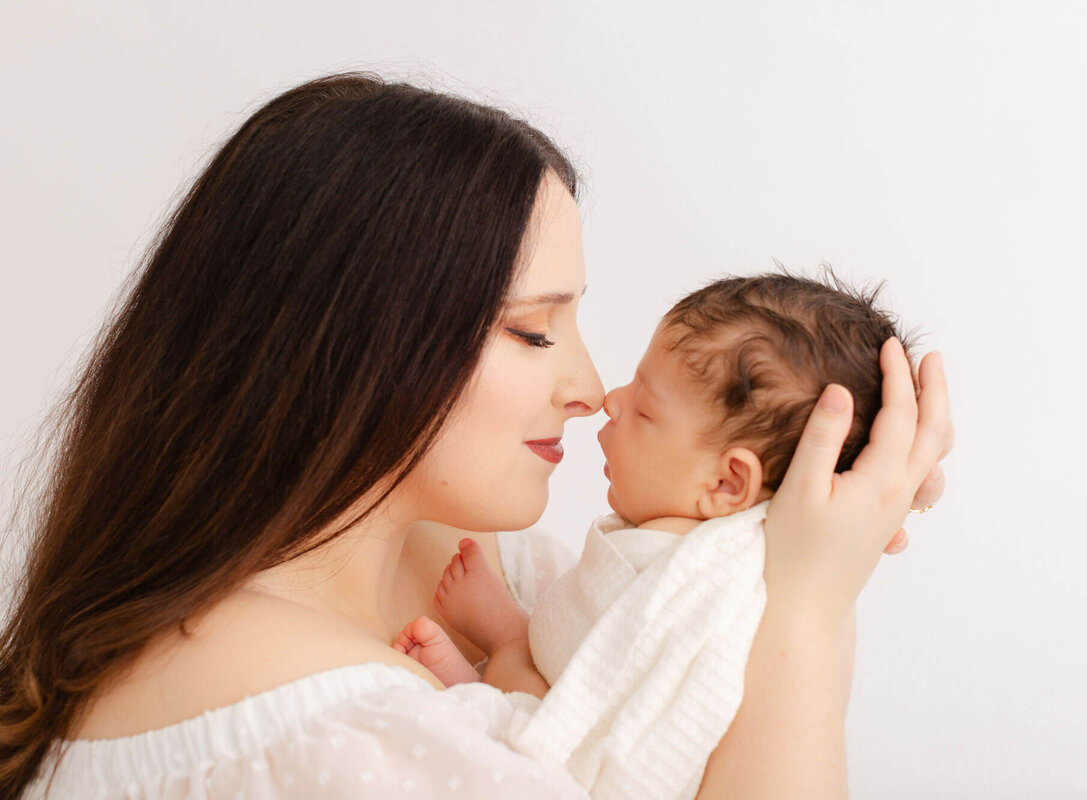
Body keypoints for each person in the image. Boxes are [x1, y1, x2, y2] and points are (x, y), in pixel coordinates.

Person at [0, 72, 952, 799]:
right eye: (534, 330)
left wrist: (795, 530)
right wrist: (810, 609)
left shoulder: (493, 574)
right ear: (358, 344)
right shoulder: (332, 742)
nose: (586, 388)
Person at [393, 272, 919, 797]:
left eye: (644, 410)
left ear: (728, 482)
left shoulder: (671, 571)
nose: (610, 400)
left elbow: (573, 726)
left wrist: (507, 642)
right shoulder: (767, 569)